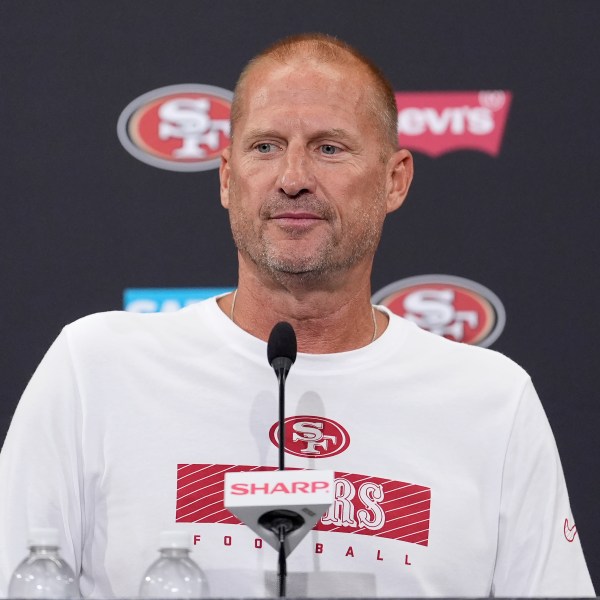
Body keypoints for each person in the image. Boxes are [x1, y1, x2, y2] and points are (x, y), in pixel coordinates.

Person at [0, 33, 594, 598]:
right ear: (228, 179)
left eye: (328, 148)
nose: (292, 179)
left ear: (395, 181)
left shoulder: (492, 400)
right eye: (265, 147)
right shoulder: (95, 367)